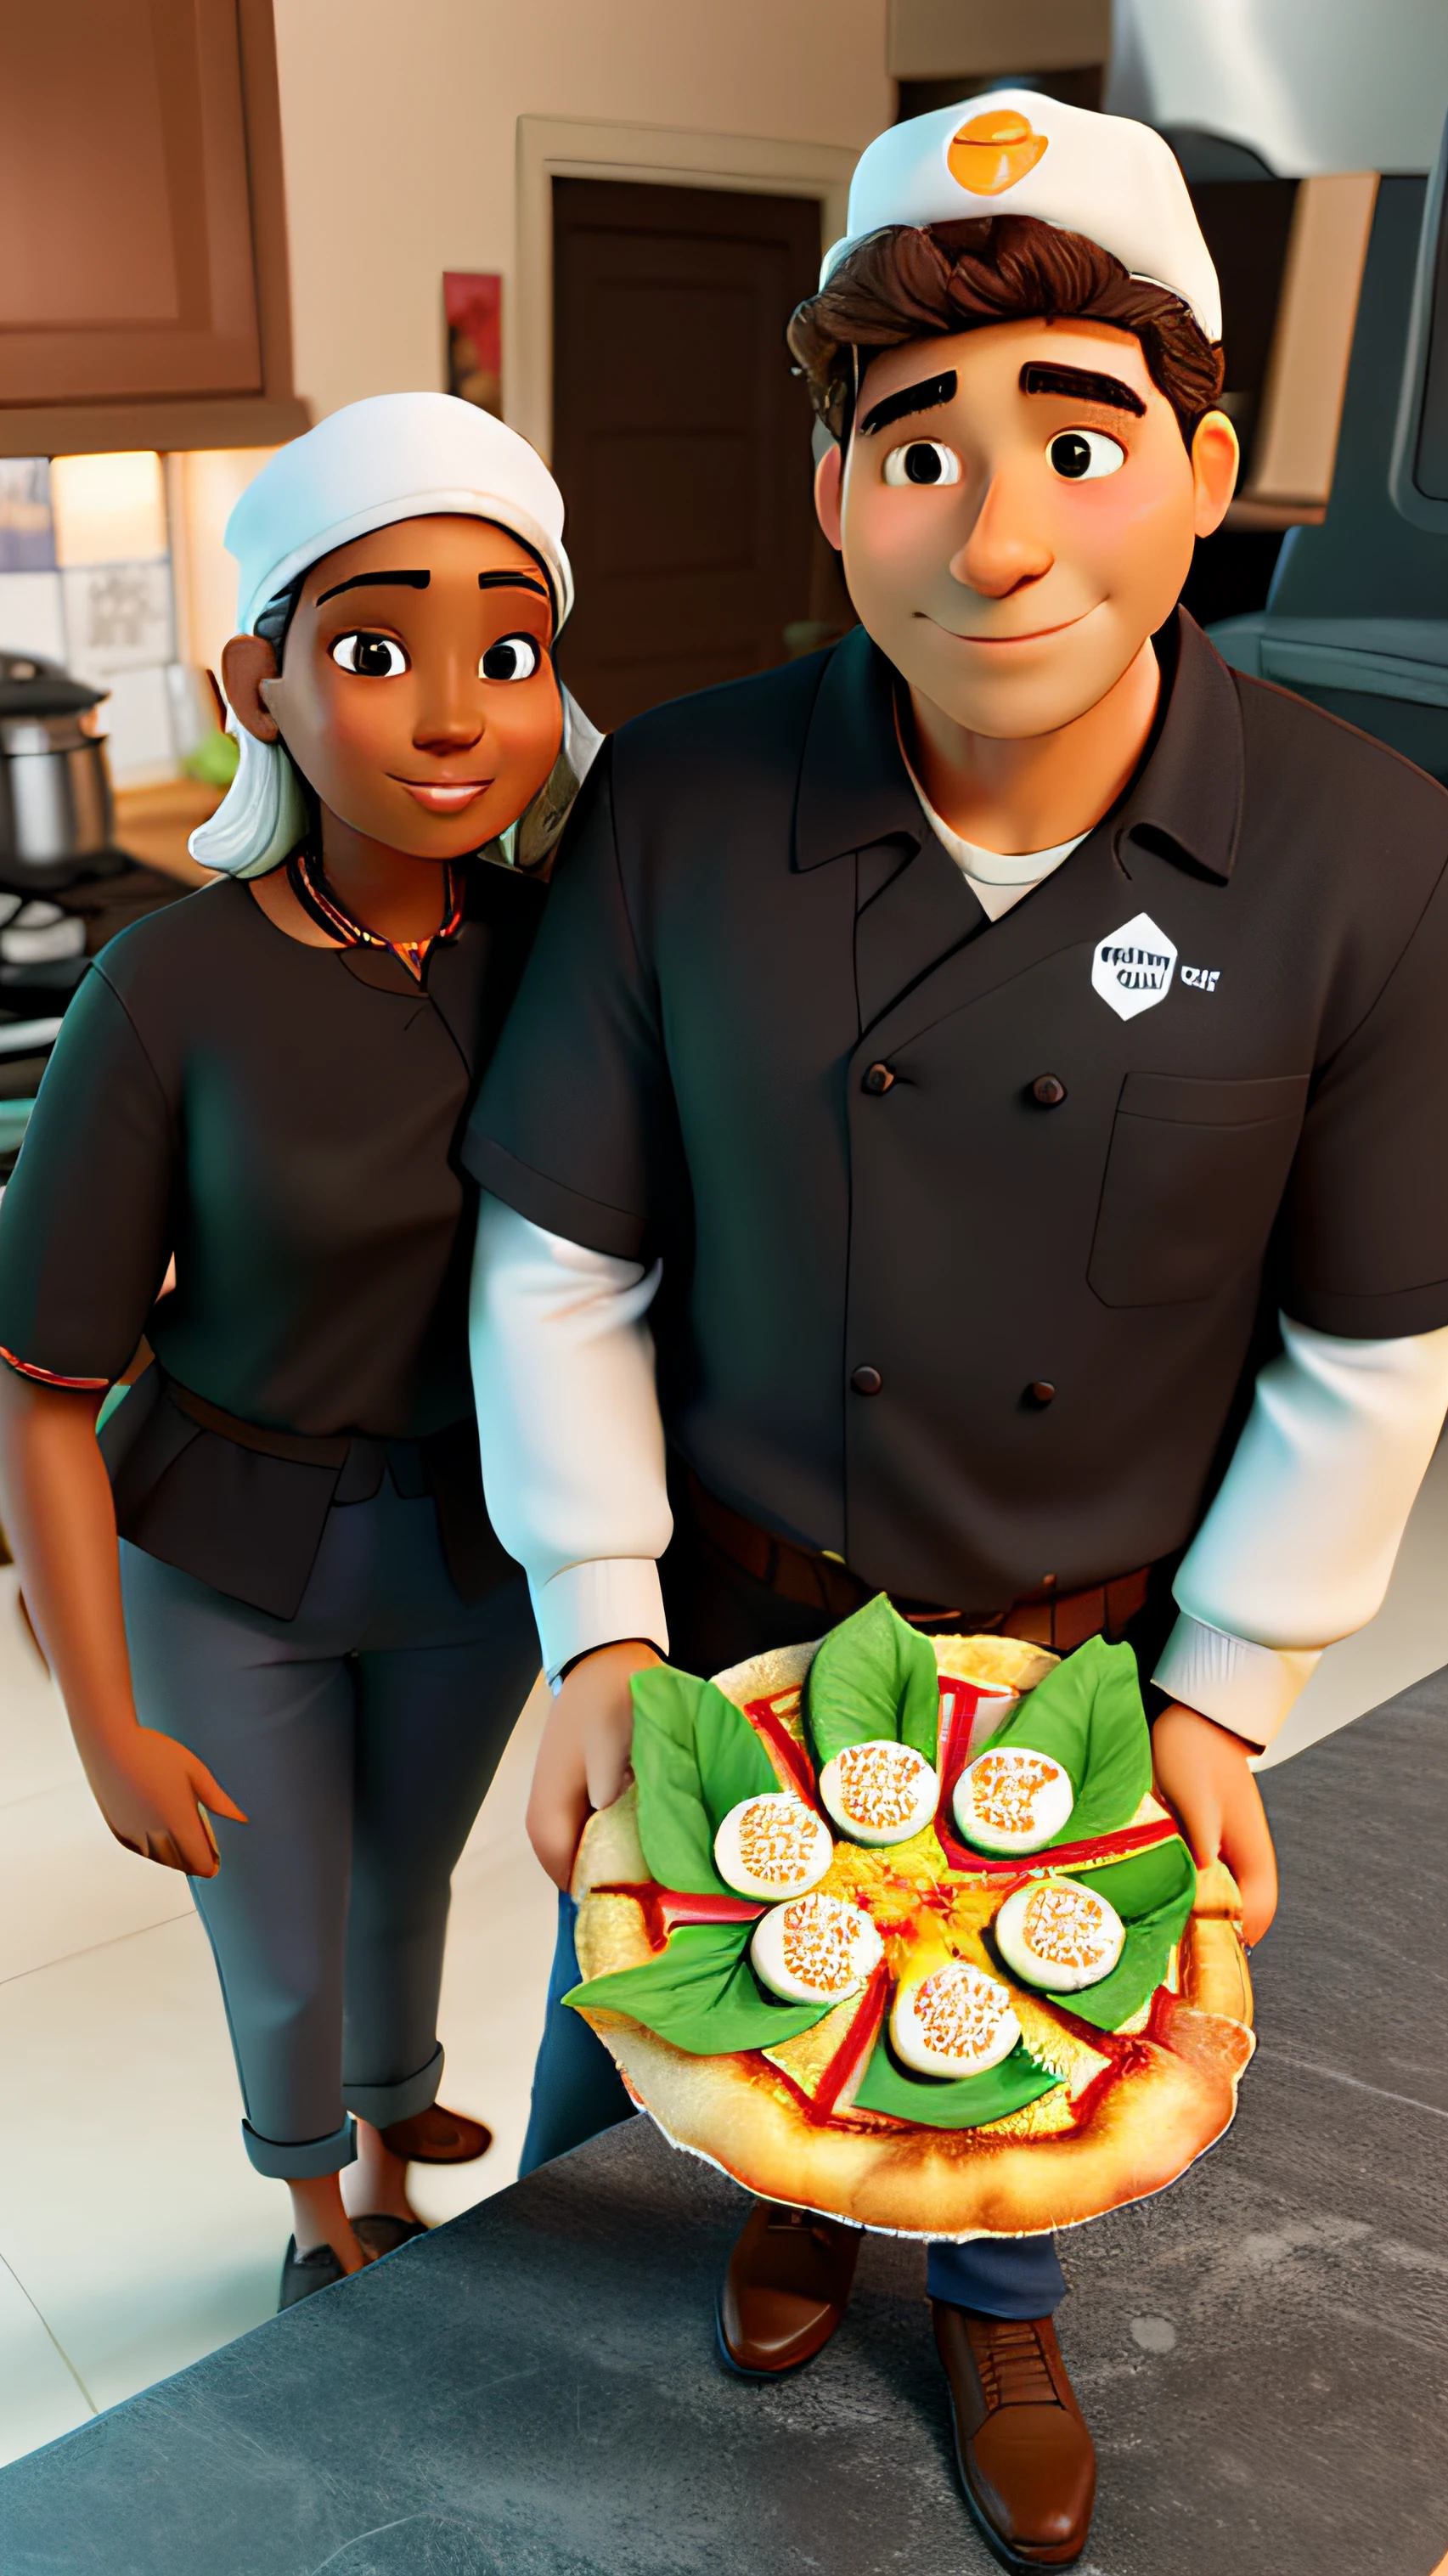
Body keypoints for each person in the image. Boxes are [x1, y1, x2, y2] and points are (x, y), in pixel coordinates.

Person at [466, 95, 1448, 2572]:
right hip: (729, 1637)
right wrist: (595, 1631)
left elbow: (1365, 1342)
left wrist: (1230, 1684)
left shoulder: (1362, 854)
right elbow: (563, 1259)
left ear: (1205, 468)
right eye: (919, 450)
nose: (997, 536)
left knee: (1034, 2053)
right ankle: (793, 2219)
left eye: (1079, 440)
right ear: (831, 495)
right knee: (728, 2054)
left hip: (1091, 1662)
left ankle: (997, 2308)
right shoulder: (681, 806)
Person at [0, 394, 598, 2308]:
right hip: (227, 1553)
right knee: (275, 1916)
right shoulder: (164, 988)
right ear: (256, 682)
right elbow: (41, 1386)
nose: (450, 716)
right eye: (372, 649)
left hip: (471, 1546)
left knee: (403, 1876)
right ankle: (316, 2203)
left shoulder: (568, 948)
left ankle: (391, 2094)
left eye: (505, 653)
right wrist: (102, 1718)